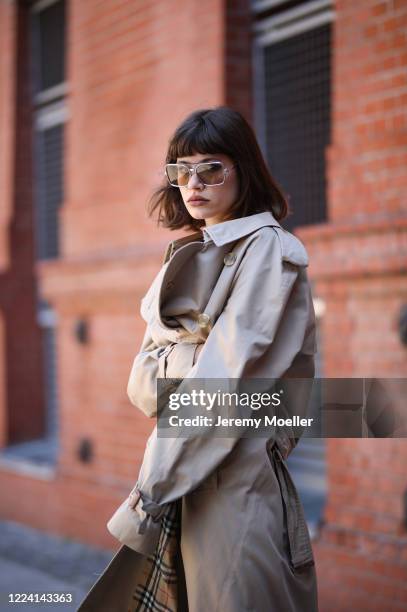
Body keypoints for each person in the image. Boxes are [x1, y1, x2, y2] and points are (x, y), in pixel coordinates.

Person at [77, 107, 318, 612]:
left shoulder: (270, 251)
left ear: (244, 170)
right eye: (180, 171)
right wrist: (196, 357)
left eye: (211, 168)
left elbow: (225, 386)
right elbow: (142, 384)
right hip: (186, 477)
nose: (194, 183)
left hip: (234, 484)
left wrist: (148, 495)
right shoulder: (189, 254)